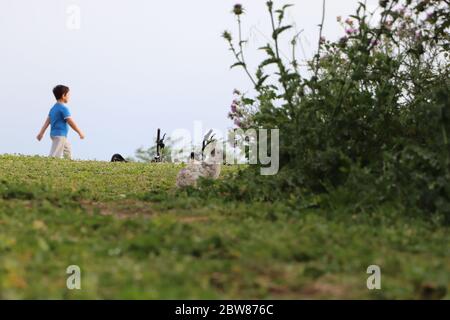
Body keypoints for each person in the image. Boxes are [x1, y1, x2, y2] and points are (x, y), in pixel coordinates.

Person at [36, 85, 85, 159]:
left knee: (67, 148)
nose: (69, 96)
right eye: (68, 94)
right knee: (55, 154)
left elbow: (47, 122)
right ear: (63, 95)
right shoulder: (63, 108)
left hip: (55, 134)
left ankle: (68, 162)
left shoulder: (53, 108)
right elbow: (70, 122)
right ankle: (49, 164)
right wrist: (79, 132)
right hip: (59, 135)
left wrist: (41, 133)